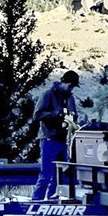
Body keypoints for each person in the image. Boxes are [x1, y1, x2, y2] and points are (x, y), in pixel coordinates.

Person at [32, 71, 80, 201]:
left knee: (59, 177)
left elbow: (74, 114)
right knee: (46, 174)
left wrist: (72, 119)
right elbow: (37, 115)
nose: (71, 88)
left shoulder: (70, 98)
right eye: (70, 85)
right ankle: (36, 204)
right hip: (49, 139)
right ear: (63, 82)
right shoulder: (47, 95)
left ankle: (53, 205)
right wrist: (55, 114)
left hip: (64, 140)